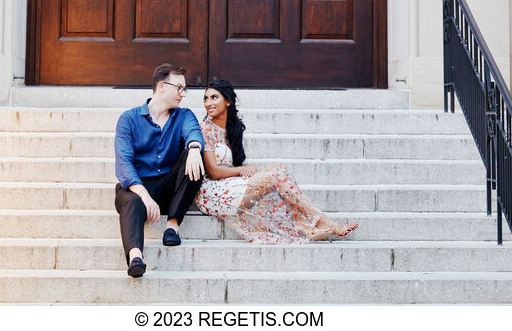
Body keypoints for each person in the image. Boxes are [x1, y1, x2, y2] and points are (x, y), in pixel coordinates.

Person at [195, 79, 358, 244]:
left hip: (228, 186)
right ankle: (321, 221)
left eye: (214, 97)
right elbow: (213, 171)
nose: (208, 103)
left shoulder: (232, 130)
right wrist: (242, 170)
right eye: (206, 99)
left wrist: (244, 170)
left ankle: (305, 223)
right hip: (211, 194)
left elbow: (231, 166)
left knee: (277, 169)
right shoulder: (205, 129)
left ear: (228, 101)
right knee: (274, 176)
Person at [114, 63, 205, 277]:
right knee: (131, 199)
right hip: (137, 188)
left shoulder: (183, 116)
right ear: (162, 86)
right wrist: (145, 197)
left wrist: (193, 148)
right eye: (179, 88)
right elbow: (124, 164)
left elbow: (193, 132)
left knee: (194, 155)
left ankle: (172, 225)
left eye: (185, 89)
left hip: (168, 187)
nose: (183, 94)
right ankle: (136, 257)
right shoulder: (129, 119)